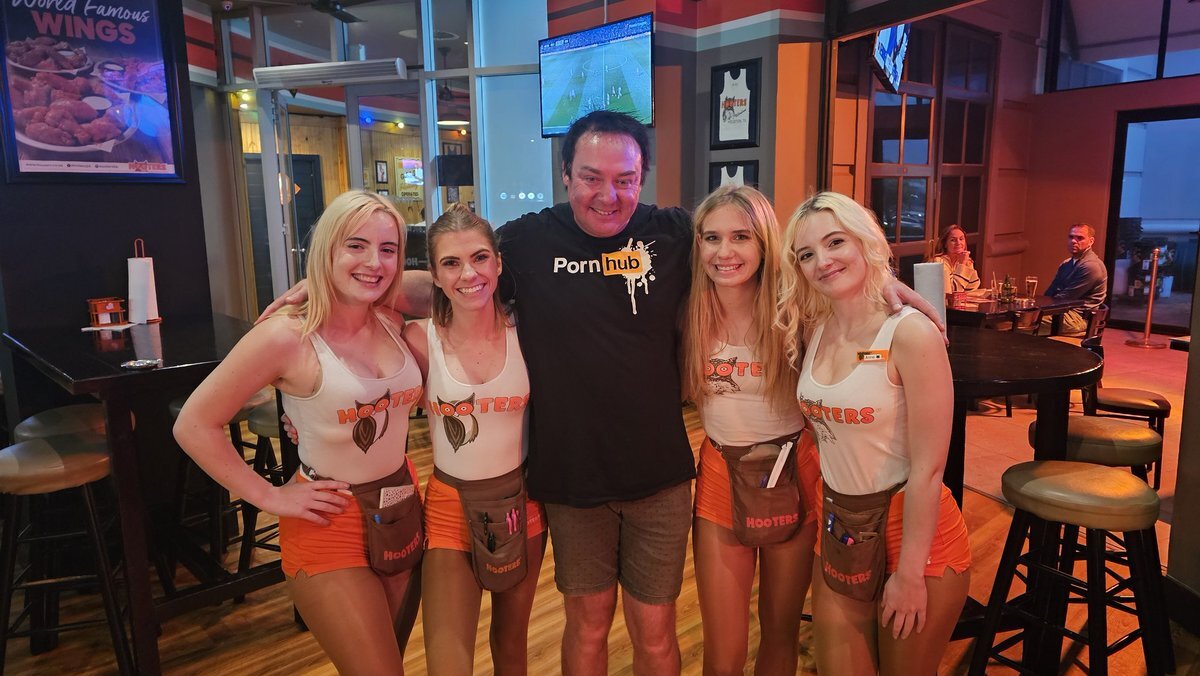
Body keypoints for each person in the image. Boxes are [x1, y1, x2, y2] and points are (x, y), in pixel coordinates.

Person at [261, 111, 944, 675]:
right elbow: (451, 280)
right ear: (566, 175)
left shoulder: (676, 235)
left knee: (656, 631)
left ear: (642, 178)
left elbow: (770, 247)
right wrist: (336, 285)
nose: (608, 194)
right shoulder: (527, 242)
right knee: (586, 626)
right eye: (591, 177)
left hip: (661, 479)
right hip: (568, 481)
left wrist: (877, 279)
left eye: (625, 179)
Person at [176, 191, 424, 674]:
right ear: (326, 248)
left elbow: (452, 286)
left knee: (390, 657)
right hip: (328, 519)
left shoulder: (391, 320)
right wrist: (268, 496)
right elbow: (194, 423)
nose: (374, 262)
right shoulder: (285, 336)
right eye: (355, 246)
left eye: (388, 249)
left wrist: (323, 281)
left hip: (400, 505)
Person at [778, 192, 971, 675]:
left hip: (913, 537)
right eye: (806, 254)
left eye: (835, 242)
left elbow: (929, 470)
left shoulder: (911, 333)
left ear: (864, 241)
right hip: (840, 528)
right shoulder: (815, 328)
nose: (822, 261)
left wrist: (910, 573)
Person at [401, 203, 547, 675]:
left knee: (511, 645)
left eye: (480, 257)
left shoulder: (529, 332)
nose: (469, 274)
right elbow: (364, 383)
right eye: (451, 263)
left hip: (521, 503)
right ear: (434, 275)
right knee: (448, 660)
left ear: (498, 263)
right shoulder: (419, 340)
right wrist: (300, 417)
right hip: (449, 507)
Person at [682, 185, 819, 674]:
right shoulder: (687, 312)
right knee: (723, 650)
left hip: (793, 471)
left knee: (780, 632)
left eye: (740, 236)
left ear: (764, 242)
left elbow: (861, 306)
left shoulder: (797, 310)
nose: (725, 252)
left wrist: (896, 290)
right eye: (712, 237)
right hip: (721, 476)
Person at [1043, 222, 1108, 336]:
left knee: (1023, 321)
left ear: (1091, 241)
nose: (1073, 241)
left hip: (1078, 318)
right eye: (1071, 237)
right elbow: (1050, 293)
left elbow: (1065, 298)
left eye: (1080, 238)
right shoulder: (1066, 264)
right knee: (1024, 318)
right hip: (1064, 312)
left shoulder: (1091, 266)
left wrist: (1039, 309)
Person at [926, 224, 979, 293]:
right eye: (953, 240)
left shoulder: (965, 260)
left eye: (961, 239)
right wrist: (962, 265)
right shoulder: (938, 262)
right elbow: (952, 292)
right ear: (945, 244)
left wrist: (966, 264)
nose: (958, 243)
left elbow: (973, 286)